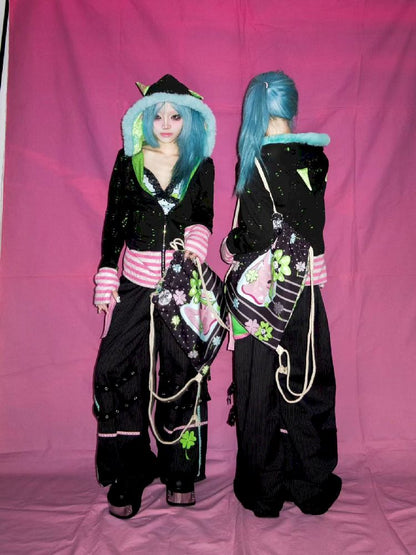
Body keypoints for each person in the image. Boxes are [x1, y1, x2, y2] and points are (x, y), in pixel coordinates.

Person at [93, 74, 216, 518]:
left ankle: (179, 470)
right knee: (118, 368)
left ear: (190, 120)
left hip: (182, 287)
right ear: (145, 118)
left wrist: (198, 237)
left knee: (182, 371)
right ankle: (131, 470)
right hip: (134, 285)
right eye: (158, 115)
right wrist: (108, 272)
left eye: (175, 116)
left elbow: (204, 213)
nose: (165, 124)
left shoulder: (201, 164)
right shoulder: (128, 162)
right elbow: (114, 221)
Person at [221, 70, 341, 517]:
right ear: (292, 107)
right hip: (305, 291)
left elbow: (253, 237)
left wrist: (228, 246)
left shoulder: (255, 160)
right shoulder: (316, 158)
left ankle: (265, 492)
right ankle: (312, 486)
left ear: (254, 108)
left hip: (264, 298)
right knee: (307, 385)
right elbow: (307, 224)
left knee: (259, 393)